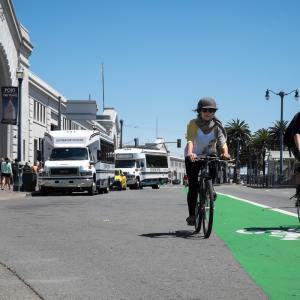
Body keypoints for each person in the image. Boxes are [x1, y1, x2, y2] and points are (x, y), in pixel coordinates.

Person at [184, 97, 230, 226]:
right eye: (205, 110)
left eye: (211, 110)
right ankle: (192, 215)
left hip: (210, 154)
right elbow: (190, 140)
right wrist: (190, 153)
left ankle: (210, 188)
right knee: (193, 186)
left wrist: (225, 153)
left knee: (213, 167)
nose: (208, 112)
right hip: (193, 154)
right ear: (199, 111)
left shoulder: (217, 126)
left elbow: (222, 142)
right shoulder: (193, 123)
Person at [285, 112, 300, 201]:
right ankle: (299, 189)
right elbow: (296, 135)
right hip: (293, 141)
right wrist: (299, 149)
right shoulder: (298, 117)